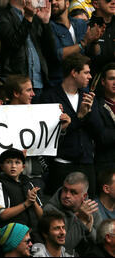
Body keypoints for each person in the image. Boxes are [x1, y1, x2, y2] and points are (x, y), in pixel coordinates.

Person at [40, 53, 103, 197]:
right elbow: (49, 136)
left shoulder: (87, 97)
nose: (90, 76)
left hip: (86, 163)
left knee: (87, 207)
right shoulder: (50, 97)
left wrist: (89, 113)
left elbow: (98, 132)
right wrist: (79, 116)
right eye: (86, 72)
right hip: (62, 164)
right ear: (74, 73)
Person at [0, 0, 56, 102]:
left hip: (39, 85)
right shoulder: (2, 15)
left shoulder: (35, 17)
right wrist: (28, 18)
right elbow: (13, 44)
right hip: (17, 87)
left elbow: (50, 52)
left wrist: (46, 22)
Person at [43, 171, 102, 255]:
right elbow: (64, 247)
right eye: (65, 190)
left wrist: (89, 230)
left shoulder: (91, 208)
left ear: (84, 196)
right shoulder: (50, 210)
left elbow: (103, 242)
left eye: (73, 192)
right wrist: (81, 221)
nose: (67, 195)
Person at [47, 0, 103, 87]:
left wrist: (94, 41)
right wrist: (83, 43)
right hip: (60, 84)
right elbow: (58, 54)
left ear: (67, 3)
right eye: (50, 0)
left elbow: (95, 53)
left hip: (82, 83)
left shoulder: (80, 23)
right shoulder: (48, 26)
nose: (53, 2)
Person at [0, 148, 43, 235]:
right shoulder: (0, 185)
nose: (13, 166)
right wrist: (26, 204)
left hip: (31, 233)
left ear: (23, 167)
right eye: (8, 162)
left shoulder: (28, 184)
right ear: (2, 167)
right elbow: (3, 215)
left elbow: (42, 216)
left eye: (17, 162)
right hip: (11, 234)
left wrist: (33, 201)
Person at [94, 63, 115, 174]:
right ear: (103, 81)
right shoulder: (96, 105)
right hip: (107, 166)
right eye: (112, 79)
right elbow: (101, 136)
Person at [89, 0, 115, 74]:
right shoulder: (86, 27)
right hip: (94, 79)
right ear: (95, 3)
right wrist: (94, 42)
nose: (113, 1)